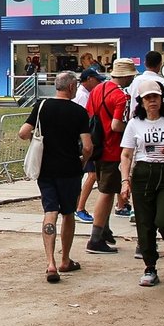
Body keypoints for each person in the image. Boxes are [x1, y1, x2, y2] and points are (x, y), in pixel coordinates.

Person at [18, 72, 92, 282]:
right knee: (68, 213)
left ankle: (50, 262)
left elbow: (23, 133)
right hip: (70, 169)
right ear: (70, 87)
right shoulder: (79, 112)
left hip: (46, 169)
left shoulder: (42, 107)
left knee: (50, 211)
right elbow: (87, 146)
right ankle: (65, 259)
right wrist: (83, 161)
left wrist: (37, 138)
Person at [117, 80, 164, 287]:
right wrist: (125, 181)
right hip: (143, 173)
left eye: (155, 97)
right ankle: (150, 267)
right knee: (144, 224)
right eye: (148, 98)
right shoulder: (134, 123)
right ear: (141, 101)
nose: (152, 101)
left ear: (161, 98)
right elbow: (126, 154)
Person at [84, 58, 134, 253]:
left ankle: (104, 230)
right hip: (113, 149)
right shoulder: (121, 97)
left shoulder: (97, 90)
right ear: (127, 75)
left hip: (97, 147)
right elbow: (116, 125)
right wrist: (131, 130)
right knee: (107, 192)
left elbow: (89, 115)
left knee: (105, 189)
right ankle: (95, 238)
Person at [73, 68, 103, 224]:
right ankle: (79, 208)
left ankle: (76, 206)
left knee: (88, 174)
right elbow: (87, 120)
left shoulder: (85, 94)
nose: (99, 83)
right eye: (97, 80)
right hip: (83, 140)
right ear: (89, 79)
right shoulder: (82, 96)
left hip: (83, 139)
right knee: (91, 174)